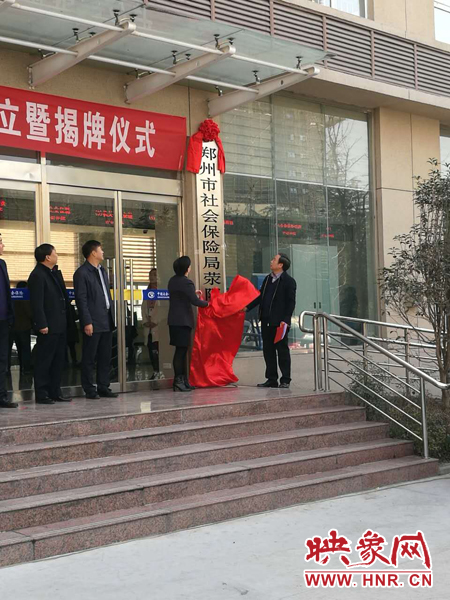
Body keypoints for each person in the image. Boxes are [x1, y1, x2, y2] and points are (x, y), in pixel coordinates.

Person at [28, 244, 72, 404]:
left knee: (58, 360)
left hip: (59, 324)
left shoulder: (53, 273)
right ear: (47, 257)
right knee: (44, 361)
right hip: (47, 325)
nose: (57, 255)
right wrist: (41, 324)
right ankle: (42, 393)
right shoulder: (38, 275)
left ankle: (55, 391)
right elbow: (37, 303)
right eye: (55, 253)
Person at [74, 240, 117, 400]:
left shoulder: (102, 270)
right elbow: (81, 299)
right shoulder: (82, 273)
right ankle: (89, 389)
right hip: (93, 320)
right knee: (89, 357)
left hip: (106, 319)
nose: (103, 252)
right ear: (93, 252)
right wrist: (87, 321)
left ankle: (103, 386)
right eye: (101, 249)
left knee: (105, 356)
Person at [247, 253, 297, 389]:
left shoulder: (289, 281)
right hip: (266, 320)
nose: (271, 261)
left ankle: (285, 379)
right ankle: (271, 379)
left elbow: (291, 303)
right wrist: (247, 307)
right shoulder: (268, 279)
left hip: (279, 323)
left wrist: (286, 320)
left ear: (280, 265)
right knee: (268, 351)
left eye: (274, 259)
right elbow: (260, 297)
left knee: (282, 351)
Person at [168, 256, 208, 392]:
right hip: (183, 321)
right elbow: (195, 301)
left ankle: (183, 380)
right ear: (187, 268)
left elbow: (180, 295)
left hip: (174, 321)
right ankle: (179, 381)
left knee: (180, 350)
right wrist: (209, 304)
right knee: (181, 351)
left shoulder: (172, 281)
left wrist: (192, 293)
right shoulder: (186, 282)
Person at [0, 233, 18, 408]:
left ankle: (2, 396)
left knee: (2, 360)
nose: (3, 245)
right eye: (0, 242)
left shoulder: (2, 264)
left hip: (4, 320)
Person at [142, 268, 162, 380]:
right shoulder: (148, 290)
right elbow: (143, 307)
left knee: (158, 350)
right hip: (148, 326)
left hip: (158, 325)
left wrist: (156, 321)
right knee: (151, 349)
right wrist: (145, 321)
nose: (152, 277)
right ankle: (155, 371)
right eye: (150, 275)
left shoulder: (162, 290)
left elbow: (164, 309)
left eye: (154, 275)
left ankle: (160, 371)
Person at [10, 281, 33, 374]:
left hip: (13, 327)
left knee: (19, 348)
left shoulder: (13, 298)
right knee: (25, 348)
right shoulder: (25, 299)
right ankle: (26, 368)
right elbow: (29, 313)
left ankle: (21, 366)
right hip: (24, 327)